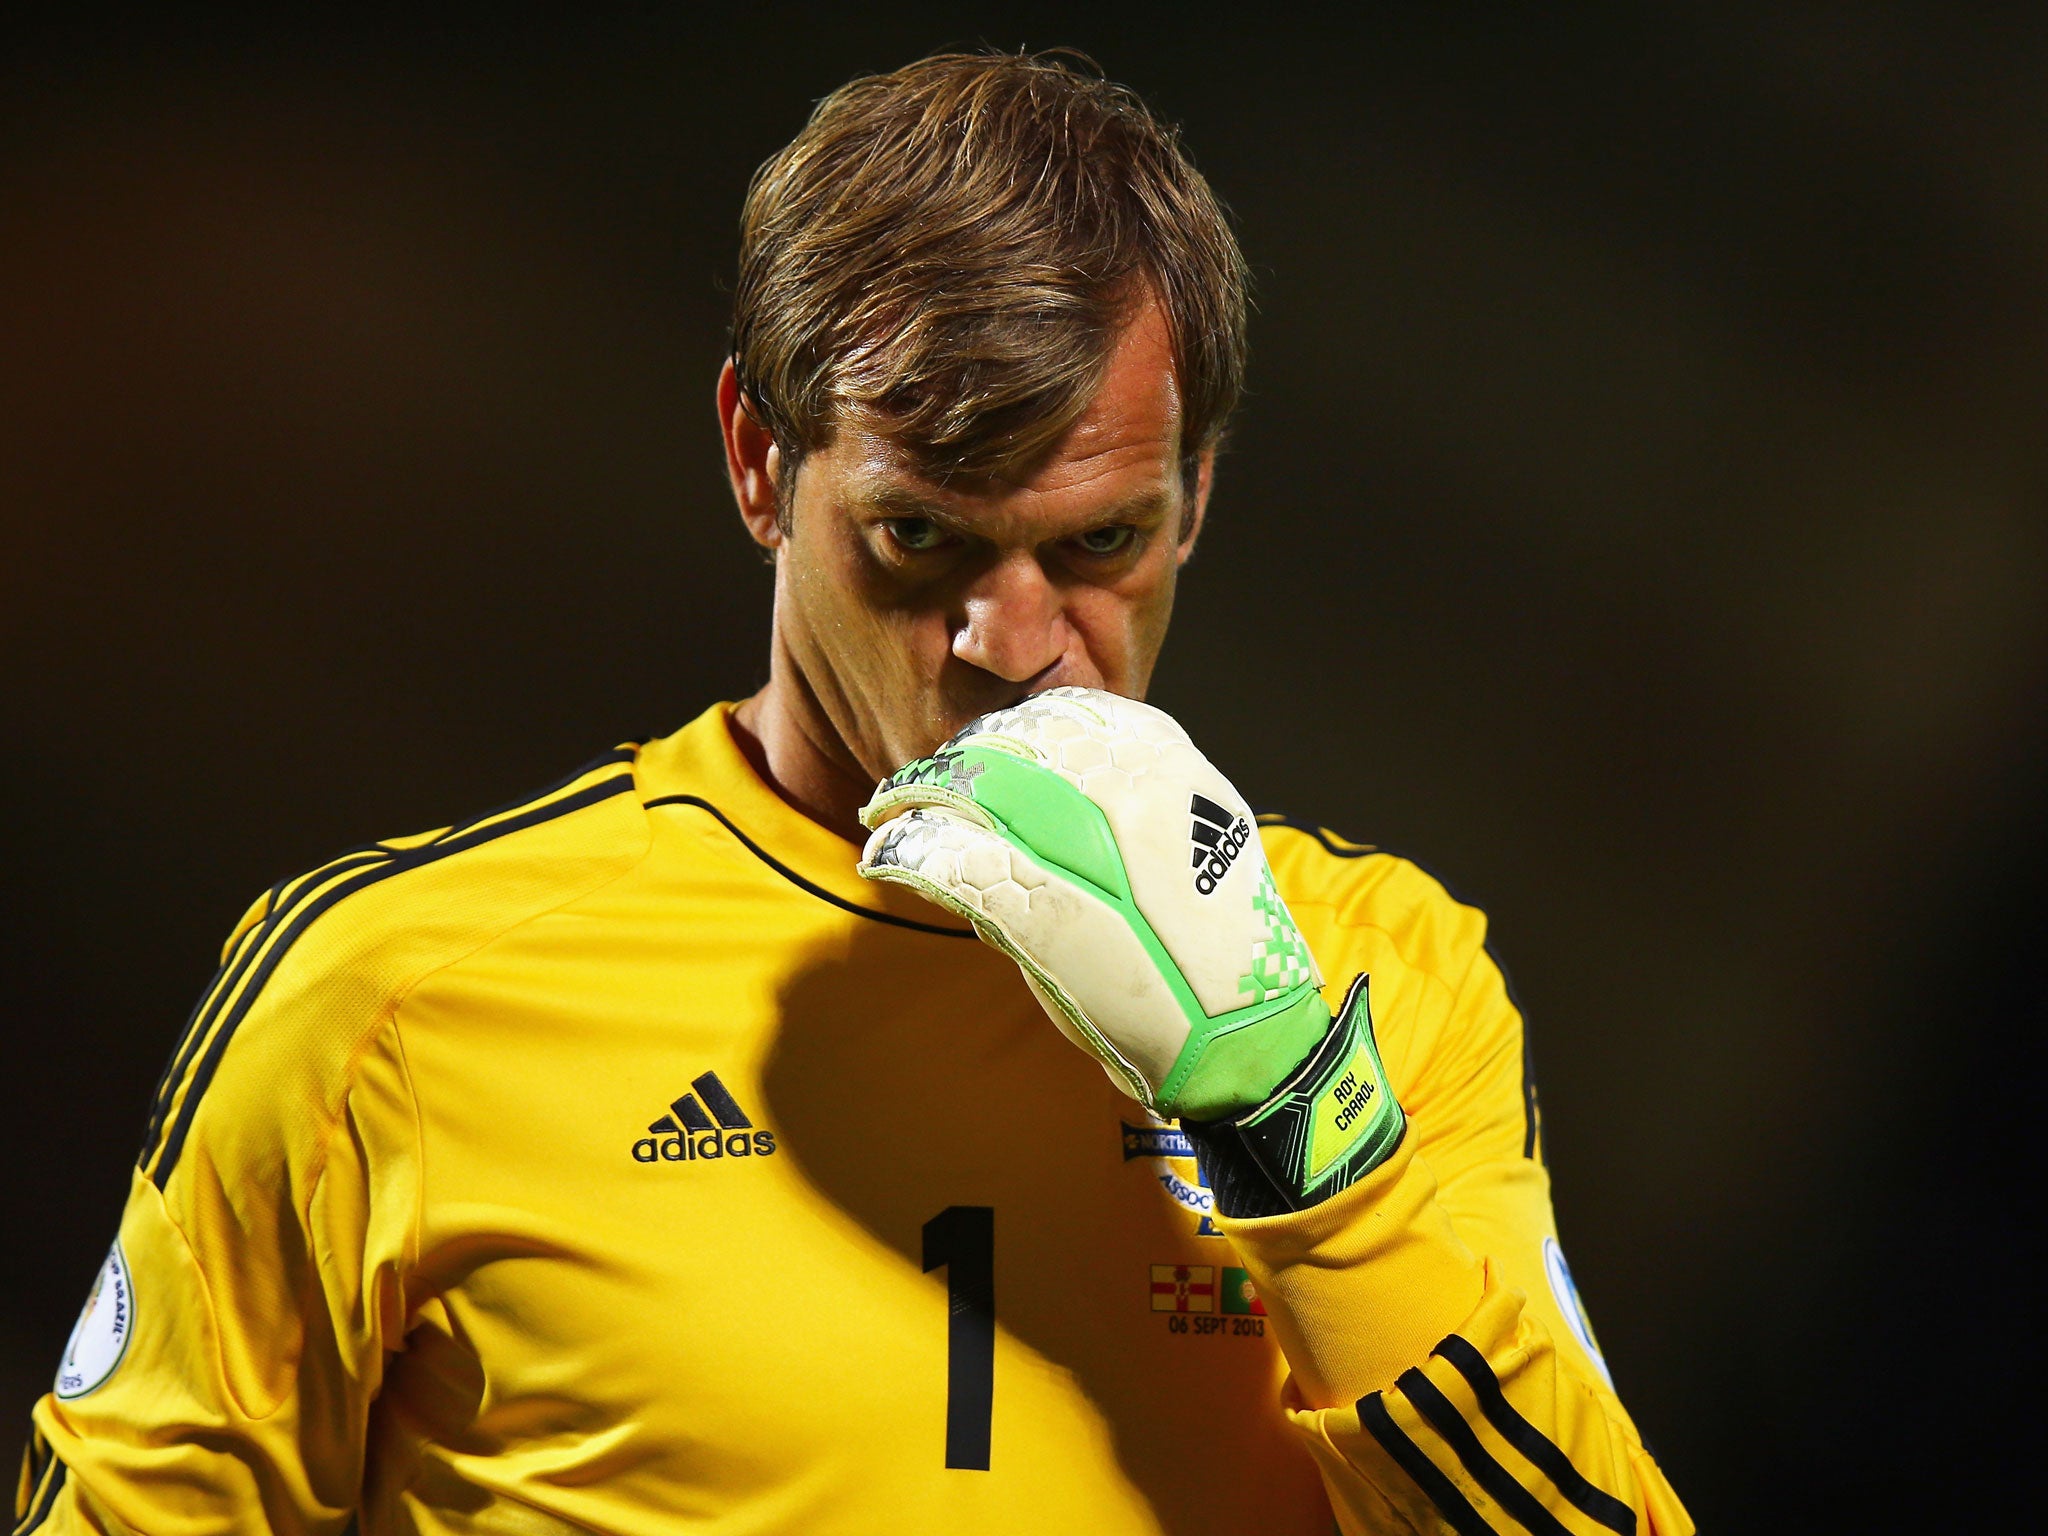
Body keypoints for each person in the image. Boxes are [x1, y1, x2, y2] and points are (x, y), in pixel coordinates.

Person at [15, 51, 1692, 1536]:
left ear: (1197, 494)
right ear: (760, 460)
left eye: (1096, 543)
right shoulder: (389, 1004)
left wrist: (1292, 1137)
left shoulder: (1377, 982)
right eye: (923, 539)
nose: (1011, 640)